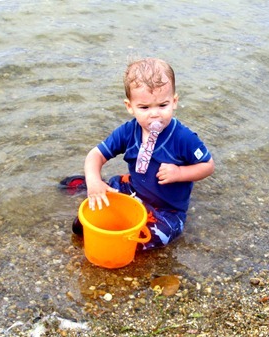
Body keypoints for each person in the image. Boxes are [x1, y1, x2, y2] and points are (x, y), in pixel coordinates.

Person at [71, 57, 215, 250]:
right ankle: (89, 185)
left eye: (162, 105)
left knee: (142, 240)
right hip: (132, 190)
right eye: (145, 107)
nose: (154, 114)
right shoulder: (128, 132)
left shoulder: (183, 138)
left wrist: (180, 173)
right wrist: (93, 179)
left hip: (167, 210)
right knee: (81, 224)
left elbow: (208, 165)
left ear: (174, 102)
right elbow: (95, 155)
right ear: (130, 106)